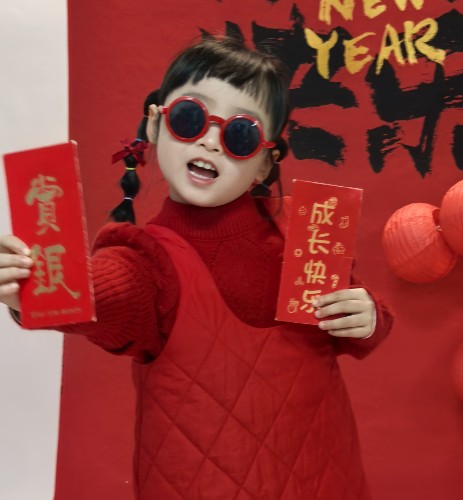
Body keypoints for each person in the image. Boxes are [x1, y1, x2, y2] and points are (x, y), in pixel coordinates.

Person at [0, 36, 392, 499]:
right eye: (190, 118)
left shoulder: (308, 233)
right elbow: (104, 291)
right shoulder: (146, 259)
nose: (209, 140)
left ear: (265, 163)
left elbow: (351, 321)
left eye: (240, 134)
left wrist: (368, 317)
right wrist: (33, 286)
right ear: (155, 124)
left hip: (327, 479)